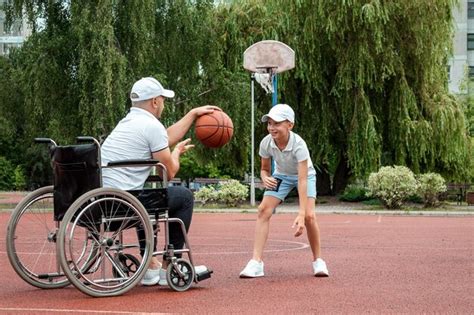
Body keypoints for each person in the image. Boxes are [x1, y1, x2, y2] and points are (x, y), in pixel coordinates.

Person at [101, 77, 218, 286]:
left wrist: (192, 115)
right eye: (163, 100)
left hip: (103, 203)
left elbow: (163, 137)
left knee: (148, 195)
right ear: (155, 102)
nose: (163, 104)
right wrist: (176, 154)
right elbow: (169, 172)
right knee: (183, 196)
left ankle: (149, 265)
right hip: (125, 204)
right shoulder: (150, 125)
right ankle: (168, 267)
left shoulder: (128, 123)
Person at [239, 104, 329, 278]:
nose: (272, 128)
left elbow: (302, 180)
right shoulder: (266, 142)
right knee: (263, 210)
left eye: (277, 123)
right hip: (282, 175)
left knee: (310, 216)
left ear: (290, 125)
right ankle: (256, 263)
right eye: (270, 123)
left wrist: (301, 214)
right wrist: (264, 177)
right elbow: (264, 169)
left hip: (305, 176)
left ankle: (318, 261)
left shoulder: (299, 145)